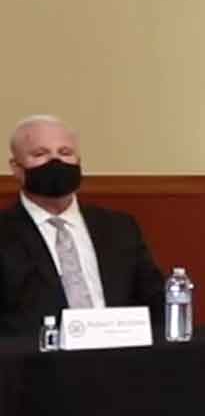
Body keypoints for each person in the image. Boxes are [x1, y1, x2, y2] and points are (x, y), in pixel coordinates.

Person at [2, 115, 165, 335]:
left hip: (121, 357)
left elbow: (155, 300)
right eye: (40, 154)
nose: (55, 162)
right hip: (33, 364)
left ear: (79, 161)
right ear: (16, 168)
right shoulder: (6, 232)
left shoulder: (119, 228)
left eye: (65, 153)